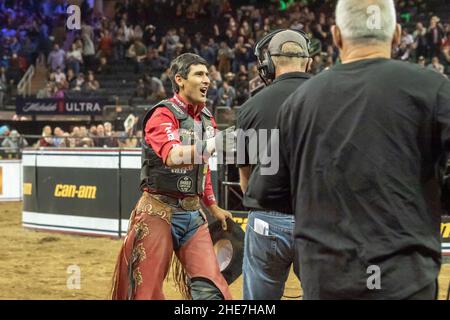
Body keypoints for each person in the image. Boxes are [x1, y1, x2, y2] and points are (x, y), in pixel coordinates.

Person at [250, 0, 450, 299]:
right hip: (406, 276)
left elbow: (266, 190)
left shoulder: (299, 102)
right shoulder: (433, 88)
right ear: (396, 35)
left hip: (328, 275)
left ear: (336, 36)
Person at [111, 53, 235, 300]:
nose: (207, 80)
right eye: (199, 74)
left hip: (192, 216)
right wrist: (212, 145)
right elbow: (172, 156)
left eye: (208, 74)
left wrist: (212, 206)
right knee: (145, 292)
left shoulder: (208, 119)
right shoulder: (162, 114)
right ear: (179, 79)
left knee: (212, 290)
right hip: (158, 212)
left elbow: (204, 169)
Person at [236, 29, 312, 300]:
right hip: (318, 221)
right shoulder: (333, 99)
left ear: (268, 63)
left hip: (266, 221)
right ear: (309, 61)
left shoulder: (250, 108)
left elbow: (246, 177)